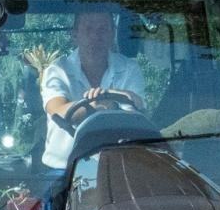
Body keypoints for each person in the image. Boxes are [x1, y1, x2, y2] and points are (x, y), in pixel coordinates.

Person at [40, 10, 146, 169]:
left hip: (119, 167)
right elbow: (57, 111)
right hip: (63, 169)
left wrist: (109, 98)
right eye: (88, 29)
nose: (96, 37)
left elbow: (137, 107)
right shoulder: (57, 70)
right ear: (74, 35)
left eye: (102, 29)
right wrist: (94, 107)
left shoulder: (129, 69)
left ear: (112, 34)